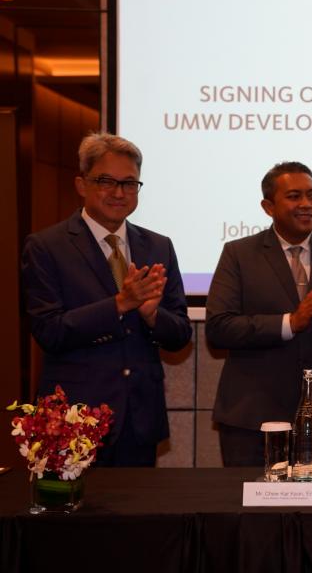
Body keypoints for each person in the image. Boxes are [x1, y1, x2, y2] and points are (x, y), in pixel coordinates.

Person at [21, 132, 192, 466]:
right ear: (81, 184)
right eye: (105, 181)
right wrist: (119, 304)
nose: (119, 193)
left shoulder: (158, 246)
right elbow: (49, 331)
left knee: (137, 517)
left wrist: (152, 315)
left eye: (130, 183)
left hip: (140, 417)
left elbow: (180, 335)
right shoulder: (46, 246)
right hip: (73, 421)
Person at [206, 162, 312, 466]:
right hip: (252, 420)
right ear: (268, 206)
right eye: (295, 196)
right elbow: (218, 328)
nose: (307, 204)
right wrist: (288, 323)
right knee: (251, 512)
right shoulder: (238, 254)